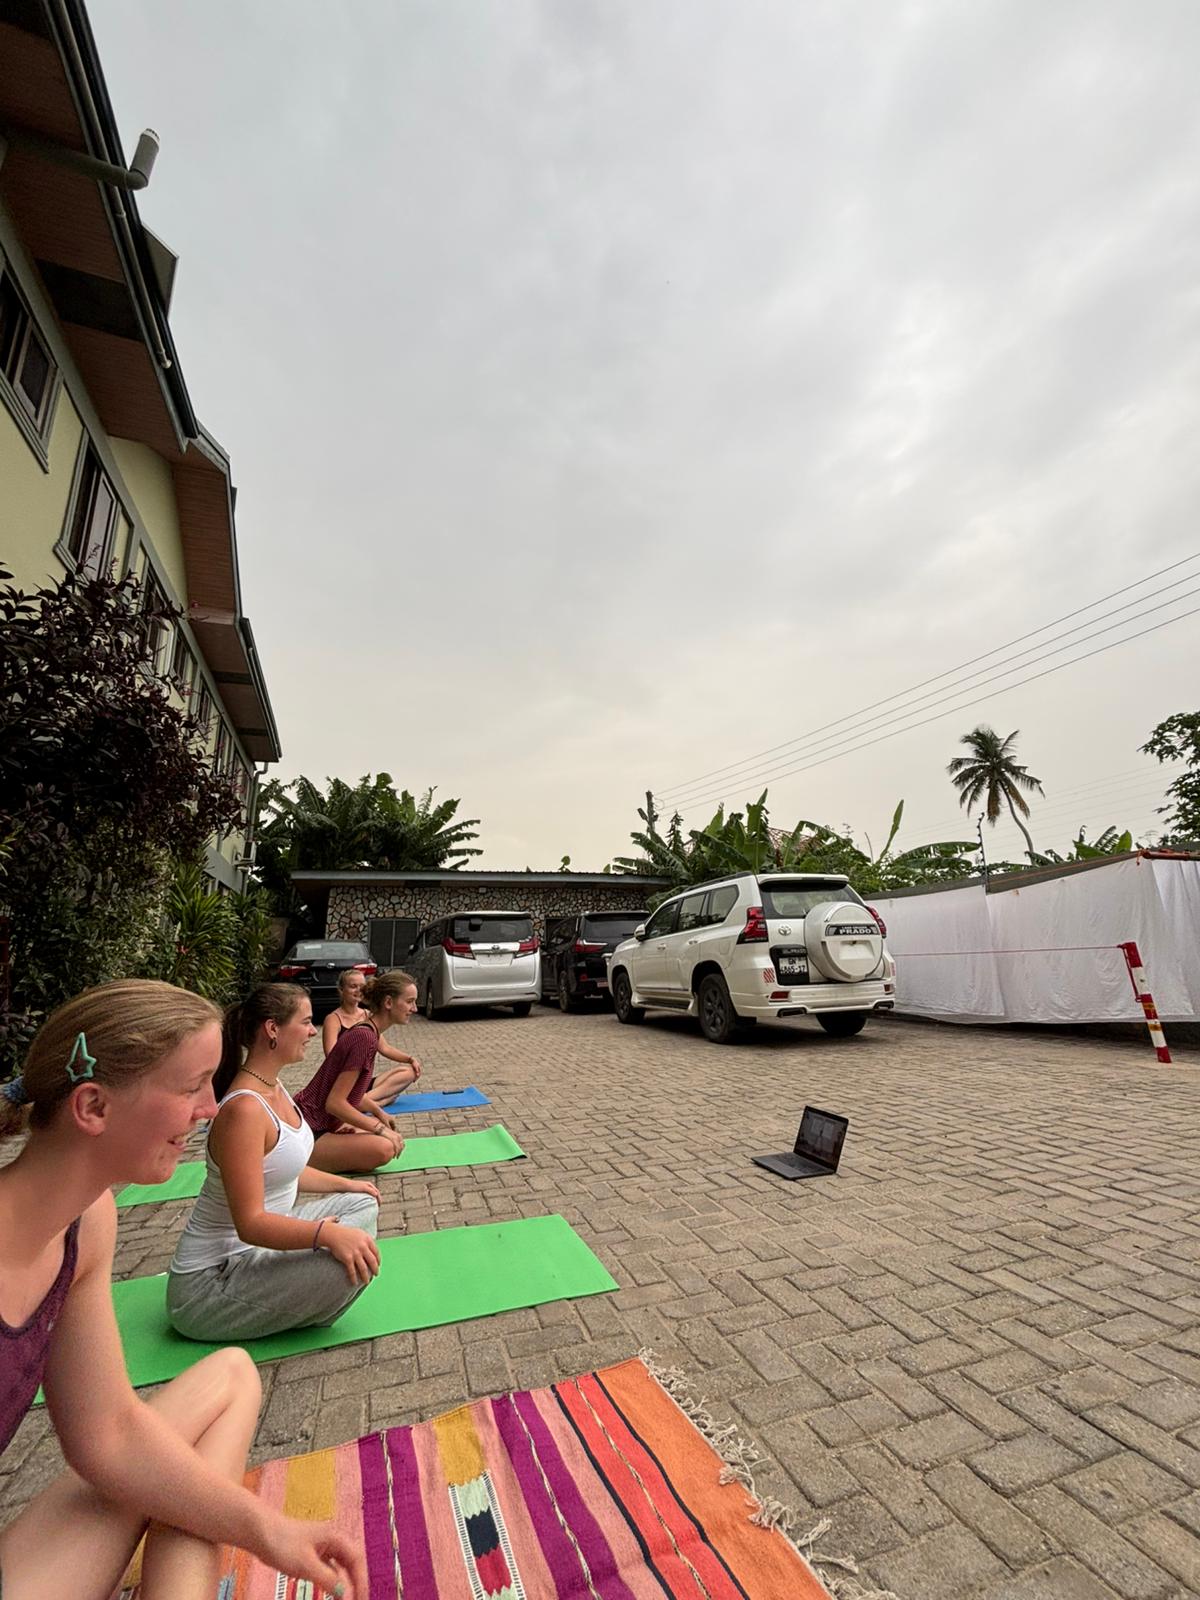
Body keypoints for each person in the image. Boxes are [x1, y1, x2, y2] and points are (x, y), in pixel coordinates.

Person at [0, 979, 365, 1600]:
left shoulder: (88, 1223)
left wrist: (266, 1530)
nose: (207, 1109)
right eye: (191, 1086)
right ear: (93, 1107)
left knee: (232, 1376)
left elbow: (109, 1436)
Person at [167, 985, 382, 1343]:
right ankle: (303, 1292)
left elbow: (286, 1171)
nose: (314, 1032)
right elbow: (250, 1224)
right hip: (210, 1285)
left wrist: (350, 1185)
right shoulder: (244, 1110)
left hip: (259, 1251)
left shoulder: (275, 1087)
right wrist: (324, 1234)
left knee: (362, 1205)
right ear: (272, 1029)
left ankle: (294, 1285)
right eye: (307, 1022)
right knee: (345, 1267)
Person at [296, 972, 418, 1174]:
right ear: (388, 1002)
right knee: (386, 1147)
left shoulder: (367, 1032)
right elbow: (334, 1103)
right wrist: (378, 1127)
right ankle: (298, 1160)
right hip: (310, 1129)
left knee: (382, 1135)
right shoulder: (364, 1038)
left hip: (320, 1123)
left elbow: (351, 1095)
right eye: (410, 1002)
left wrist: (379, 1113)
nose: (414, 1009)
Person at [321, 968, 421, 1103]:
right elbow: (332, 1059)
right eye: (352, 986)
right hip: (342, 1085)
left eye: (361, 986)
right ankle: (368, 1101)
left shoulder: (368, 1020)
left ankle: (367, 1100)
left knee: (408, 1072)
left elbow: (385, 1048)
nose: (415, 1009)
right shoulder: (343, 1024)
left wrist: (410, 1059)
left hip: (357, 1085)